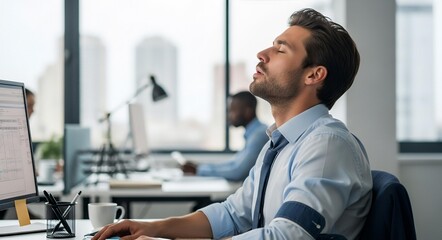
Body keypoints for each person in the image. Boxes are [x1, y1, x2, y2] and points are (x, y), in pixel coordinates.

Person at [93, 8, 372, 240]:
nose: (262, 54)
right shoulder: (279, 145)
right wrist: (151, 227)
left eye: (280, 49)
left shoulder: (326, 144)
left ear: (313, 75)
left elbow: (288, 235)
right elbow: (232, 213)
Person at [182, 91, 268, 182]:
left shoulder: (259, 135)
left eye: (233, 110)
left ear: (248, 111)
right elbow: (233, 164)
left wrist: (199, 170)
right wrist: (200, 167)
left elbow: (237, 172)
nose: (229, 116)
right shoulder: (253, 134)